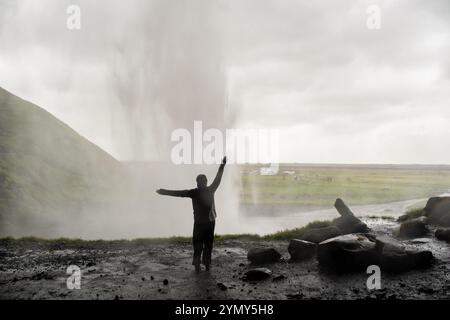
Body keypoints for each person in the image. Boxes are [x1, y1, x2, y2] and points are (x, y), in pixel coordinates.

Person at [156, 156, 226, 272]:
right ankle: (207, 264)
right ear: (206, 182)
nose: (199, 183)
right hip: (210, 222)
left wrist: (163, 192)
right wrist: (222, 165)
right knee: (208, 244)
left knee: (198, 243)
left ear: (198, 183)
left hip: (199, 223)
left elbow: (178, 193)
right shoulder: (211, 189)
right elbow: (219, 177)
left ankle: (197, 265)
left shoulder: (193, 192)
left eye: (198, 182)